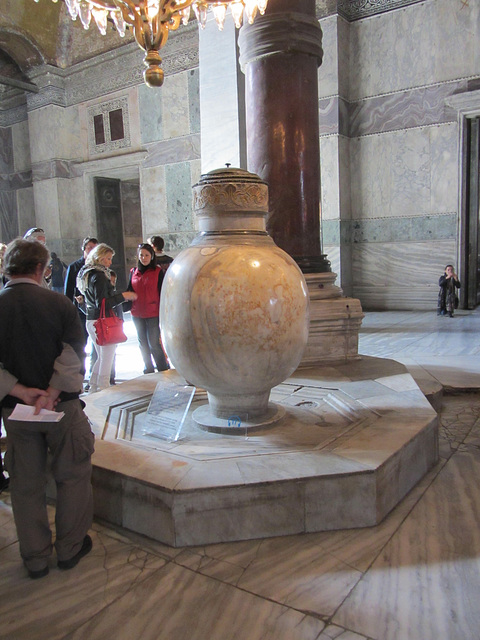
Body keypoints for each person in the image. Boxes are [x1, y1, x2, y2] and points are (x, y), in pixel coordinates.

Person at [0, 238, 94, 579]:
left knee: (25, 485)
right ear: (41, 269)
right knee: (72, 476)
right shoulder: (58, 304)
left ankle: (36, 558)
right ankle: (69, 549)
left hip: (16, 413)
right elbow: (74, 351)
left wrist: (21, 391)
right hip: (62, 409)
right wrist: (51, 392)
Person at [76, 243, 136, 392]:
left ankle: (94, 386)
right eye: (108, 259)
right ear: (100, 258)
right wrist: (123, 296)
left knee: (101, 356)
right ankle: (103, 389)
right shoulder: (99, 276)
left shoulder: (88, 273)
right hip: (101, 321)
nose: (110, 262)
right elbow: (102, 302)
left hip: (92, 320)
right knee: (107, 357)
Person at [127, 243, 169, 374]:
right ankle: (148, 368)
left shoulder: (157, 272)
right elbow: (129, 289)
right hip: (137, 313)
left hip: (153, 312)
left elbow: (163, 292)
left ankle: (162, 368)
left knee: (154, 343)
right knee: (142, 343)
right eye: (141, 255)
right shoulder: (133, 272)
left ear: (152, 256)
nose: (144, 258)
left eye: (146, 255)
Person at [64, 237, 98, 389]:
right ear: (83, 249)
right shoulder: (74, 267)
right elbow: (68, 290)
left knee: (97, 347)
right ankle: (79, 375)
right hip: (78, 313)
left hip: (94, 312)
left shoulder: (97, 267)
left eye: (94, 248)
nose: (91, 250)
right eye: (89, 247)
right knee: (80, 345)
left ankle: (94, 376)